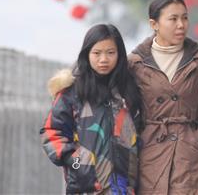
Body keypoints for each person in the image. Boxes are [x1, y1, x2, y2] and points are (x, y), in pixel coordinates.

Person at [129, 0, 198, 195]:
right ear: (154, 24)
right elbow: (125, 108)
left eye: (185, 17)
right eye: (173, 19)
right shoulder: (135, 62)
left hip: (190, 154)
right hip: (150, 152)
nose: (181, 24)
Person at [40, 24, 145, 194]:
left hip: (125, 188)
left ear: (119, 54)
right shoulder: (71, 92)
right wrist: (77, 164)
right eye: (97, 53)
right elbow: (51, 132)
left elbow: (141, 132)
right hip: (86, 188)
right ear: (87, 54)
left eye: (110, 52)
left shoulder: (128, 91)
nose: (103, 59)